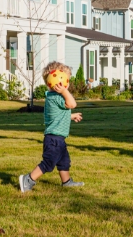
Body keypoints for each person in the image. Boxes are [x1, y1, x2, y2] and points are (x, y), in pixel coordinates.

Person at [19, 61, 84, 192]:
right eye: (66, 80)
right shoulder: (57, 97)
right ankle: (28, 179)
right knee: (48, 163)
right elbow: (72, 104)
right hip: (54, 139)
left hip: (57, 138)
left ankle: (66, 182)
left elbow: (58, 115)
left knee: (64, 161)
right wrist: (65, 92)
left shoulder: (52, 97)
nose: (68, 83)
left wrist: (71, 116)